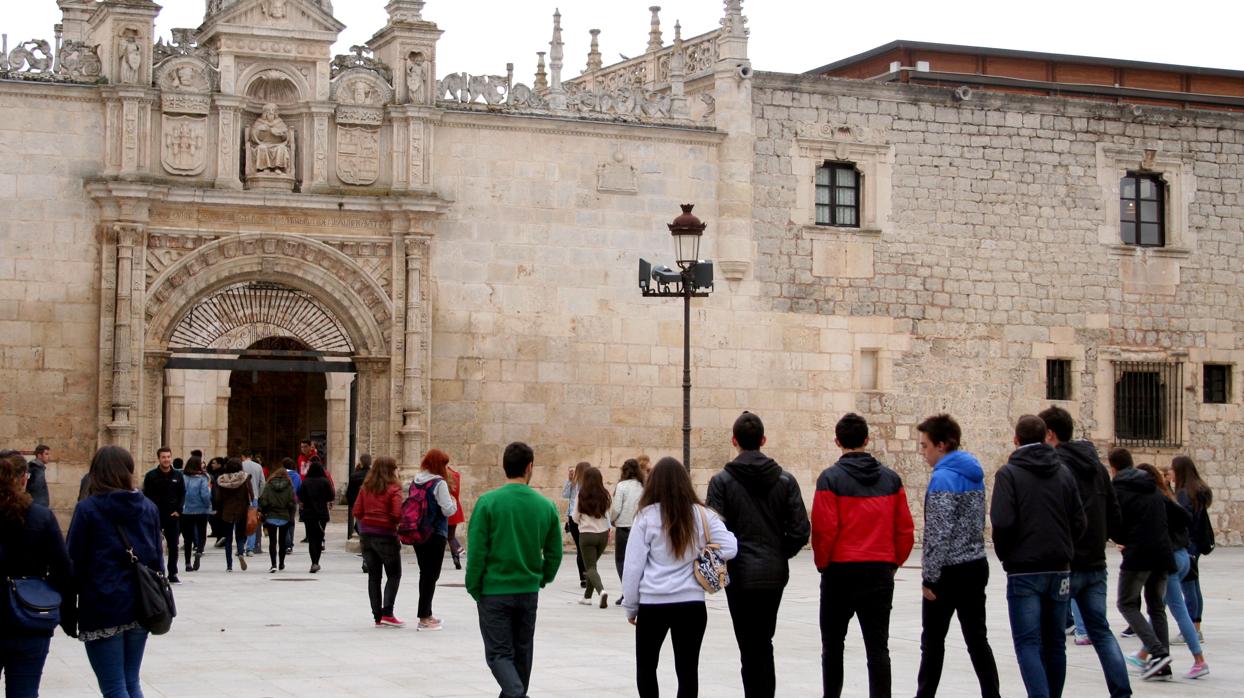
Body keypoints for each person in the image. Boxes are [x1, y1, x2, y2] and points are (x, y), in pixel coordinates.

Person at [706, 410, 810, 698]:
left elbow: (712, 531)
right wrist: (779, 552)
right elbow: (801, 530)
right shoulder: (786, 481)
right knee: (764, 641)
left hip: (739, 575)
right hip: (774, 574)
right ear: (763, 440)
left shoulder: (721, 482)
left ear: (734, 440)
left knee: (749, 645)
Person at [812, 412, 914, 698]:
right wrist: (893, 563)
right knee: (878, 647)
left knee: (832, 646)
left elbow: (824, 530)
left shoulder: (829, 479)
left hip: (840, 572)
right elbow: (905, 530)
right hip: (879, 570)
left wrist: (824, 565)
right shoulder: (891, 480)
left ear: (837, 441)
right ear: (867, 440)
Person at [623, 456, 737, 698]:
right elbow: (730, 546)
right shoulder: (701, 514)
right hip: (691, 603)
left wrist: (631, 607)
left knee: (646, 667)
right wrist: (703, 554)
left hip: (653, 603)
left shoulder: (645, 517)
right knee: (687, 670)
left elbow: (633, 567)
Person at [1037, 406, 1131, 697]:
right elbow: (1114, 513)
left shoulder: (1055, 467)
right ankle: (1122, 693)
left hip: (1065, 562)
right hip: (1096, 561)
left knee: (1053, 639)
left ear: (1050, 434)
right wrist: (1113, 536)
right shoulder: (1098, 468)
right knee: (1100, 631)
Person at [991, 415, 1086, 698]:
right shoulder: (1064, 472)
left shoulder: (1008, 474)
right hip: (1059, 568)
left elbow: (1003, 522)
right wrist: (1065, 547)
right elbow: (1079, 521)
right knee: (1055, 641)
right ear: (1046, 437)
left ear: (1016, 440)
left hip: (1024, 570)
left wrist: (1008, 556)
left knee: (1028, 642)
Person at [913, 414, 1000, 698]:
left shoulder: (942, 479)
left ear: (941, 445)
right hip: (975, 564)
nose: (923, 452)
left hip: (948, 572)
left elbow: (939, 532)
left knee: (933, 643)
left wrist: (929, 577)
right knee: (977, 640)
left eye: (925, 446)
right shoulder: (973, 472)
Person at [467, 442, 563, 698]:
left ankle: (519, 695)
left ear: (504, 467)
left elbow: (476, 551)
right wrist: (543, 577)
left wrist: (474, 586)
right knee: (522, 653)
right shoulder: (546, 506)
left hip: (494, 590)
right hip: (528, 590)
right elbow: (555, 552)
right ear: (530, 467)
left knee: (499, 654)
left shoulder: (487, 503)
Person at [68, 445, 163, 698]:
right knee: (131, 683)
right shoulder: (148, 507)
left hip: (103, 605)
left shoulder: (87, 509)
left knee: (114, 687)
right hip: (141, 604)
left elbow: (74, 562)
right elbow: (157, 559)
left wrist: (68, 609)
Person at [0, 449, 73, 696]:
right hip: (30, 617)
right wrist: (65, 614)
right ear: (24, 479)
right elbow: (63, 570)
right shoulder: (40, 516)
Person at [1131, 463, 1208, 679]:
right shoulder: (1168, 495)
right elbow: (1186, 520)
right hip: (1181, 555)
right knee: (1159, 606)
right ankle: (1144, 653)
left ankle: (1199, 660)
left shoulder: (1157, 499)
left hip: (1171, 558)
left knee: (1177, 608)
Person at [1108, 447, 1174, 681]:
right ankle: (1162, 663)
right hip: (1162, 553)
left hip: (1138, 554)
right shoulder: (1151, 485)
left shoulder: (1118, 489)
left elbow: (1114, 524)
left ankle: (1157, 652)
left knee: (1126, 603)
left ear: (1112, 467)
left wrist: (1123, 540)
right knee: (1156, 606)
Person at [409, 449, 459, 630]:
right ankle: (424, 617)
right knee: (431, 575)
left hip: (417, 533)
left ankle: (426, 613)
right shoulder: (439, 484)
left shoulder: (416, 480)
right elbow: (447, 510)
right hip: (435, 533)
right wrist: (453, 502)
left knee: (426, 574)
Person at [353, 456, 404, 627]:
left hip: (367, 535)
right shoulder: (394, 488)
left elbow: (357, 511)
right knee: (394, 574)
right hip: (386, 535)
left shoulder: (365, 488)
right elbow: (397, 514)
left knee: (374, 577)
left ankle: (377, 616)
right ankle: (388, 612)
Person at [1171, 455, 1212, 642]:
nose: (1170, 473)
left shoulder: (1184, 493)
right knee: (1193, 584)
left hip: (1188, 544)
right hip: (1196, 542)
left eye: (1172, 469)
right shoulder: (1198, 490)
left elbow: (1183, 519)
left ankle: (1192, 630)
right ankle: (1196, 626)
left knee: (1188, 586)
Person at [142, 446, 186, 584]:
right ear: (159, 459)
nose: (166, 459)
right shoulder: (151, 476)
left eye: (168, 457)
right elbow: (146, 495)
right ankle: (156, 571)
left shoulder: (178, 476)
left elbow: (182, 493)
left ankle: (172, 573)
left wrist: (178, 510)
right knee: (154, 545)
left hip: (172, 516)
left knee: (173, 546)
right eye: (163, 457)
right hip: (155, 516)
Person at [572, 465, 611, 608]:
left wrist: (582, 522)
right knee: (592, 566)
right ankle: (587, 597)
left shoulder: (581, 494)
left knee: (590, 568)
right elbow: (608, 514)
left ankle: (602, 592)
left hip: (587, 535)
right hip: (602, 535)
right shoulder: (605, 494)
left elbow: (575, 517)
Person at [610, 458, 644, 606]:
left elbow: (616, 508)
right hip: (640, 527)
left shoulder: (621, 486)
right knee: (637, 561)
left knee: (621, 560)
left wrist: (612, 519)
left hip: (623, 527)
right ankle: (639, 591)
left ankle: (627, 592)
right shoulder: (644, 486)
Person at [213, 458, 252, 572]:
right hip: (241, 510)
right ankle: (240, 553)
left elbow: (218, 498)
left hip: (227, 511)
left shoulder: (221, 480)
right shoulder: (245, 478)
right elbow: (251, 494)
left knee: (228, 538)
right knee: (240, 535)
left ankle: (229, 566)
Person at [258, 461, 297, 573]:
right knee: (282, 541)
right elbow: (292, 503)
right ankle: (281, 563)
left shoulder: (269, 485)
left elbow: (264, 501)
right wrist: (291, 516)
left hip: (271, 516)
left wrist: (264, 512)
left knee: (272, 541)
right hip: (284, 516)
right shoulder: (289, 486)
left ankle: (273, 564)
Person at [298, 460, 334, 574]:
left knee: (311, 538)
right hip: (321, 514)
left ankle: (313, 562)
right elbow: (331, 495)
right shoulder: (325, 481)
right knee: (319, 538)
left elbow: (301, 496)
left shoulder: (306, 482)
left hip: (309, 514)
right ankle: (316, 562)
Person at [179, 456, 212, 573]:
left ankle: (187, 563)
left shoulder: (183, 477)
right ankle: (199, 551)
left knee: (187, 538)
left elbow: (180, 493)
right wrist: (208, 504)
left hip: (186, 510)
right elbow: (205, 494)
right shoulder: (203, 478)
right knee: (202, 534)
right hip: (201, 510)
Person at [561, 462, 590, 588]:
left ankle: (589, 574)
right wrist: (569, 481)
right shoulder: (573, 484)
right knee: (580, 547)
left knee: (586, 548)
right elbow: (565, 495)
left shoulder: (589, 484)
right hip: (574, 518)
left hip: (585, 518)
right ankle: (584, 577)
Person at [241, 448, 266, 556]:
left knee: (240, 523)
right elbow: (262, 483)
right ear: (251, 456)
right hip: (254, 498)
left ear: (242, 456)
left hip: (241, 498)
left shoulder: (239, 465)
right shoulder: (258, 466)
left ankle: (240, 546)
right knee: (252, 523)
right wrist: (258, 495)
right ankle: (250, 548)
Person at [446, 461, 466, 569]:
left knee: (441, 536)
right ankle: (456, 557)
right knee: (451, 536)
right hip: (454, 508)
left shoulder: (439, 476)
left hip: (443, 510)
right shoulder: (455, 475)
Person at [346, 454, 371, 542]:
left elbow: (349, 492)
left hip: (358, 504)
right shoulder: (374, 475)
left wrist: (351, 504)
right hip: (371, 505)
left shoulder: (354, 476)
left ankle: (364, 544)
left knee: (360, 526)